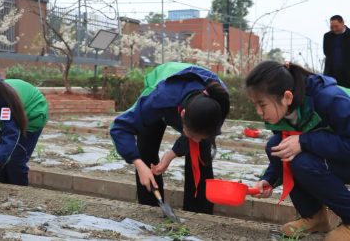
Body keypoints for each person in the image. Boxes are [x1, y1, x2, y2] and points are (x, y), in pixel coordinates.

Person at [246, 60, 350, 241]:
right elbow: (285, 146)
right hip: (333, 156)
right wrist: (268, 179)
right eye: (255, 105)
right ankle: (314, 217)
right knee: (275, 146)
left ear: (287, 97)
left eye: (262, 105)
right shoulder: (281, 112)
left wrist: (305, 141)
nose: (259, 112)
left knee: (303, 162)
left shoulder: (329, 99)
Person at [110, 62, 230, 214]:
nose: (196, 139)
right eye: (192, 135)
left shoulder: (217, 105)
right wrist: (139, 164)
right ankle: (150, 205)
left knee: (200, 151)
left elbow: (199, 136)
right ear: (183, 114)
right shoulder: (159, 98)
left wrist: (172, 154)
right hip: (165, 90)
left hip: (195, 104)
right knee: (146, 149)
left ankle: (198, 211)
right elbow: (120, 127)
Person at [323, 15, 350, 88]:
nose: (334, 29)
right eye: (332, 27)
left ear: (342, 23)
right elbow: (326, 52)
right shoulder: (327, 36)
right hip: (331, 73)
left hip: (347, 74)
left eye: (336, 26)